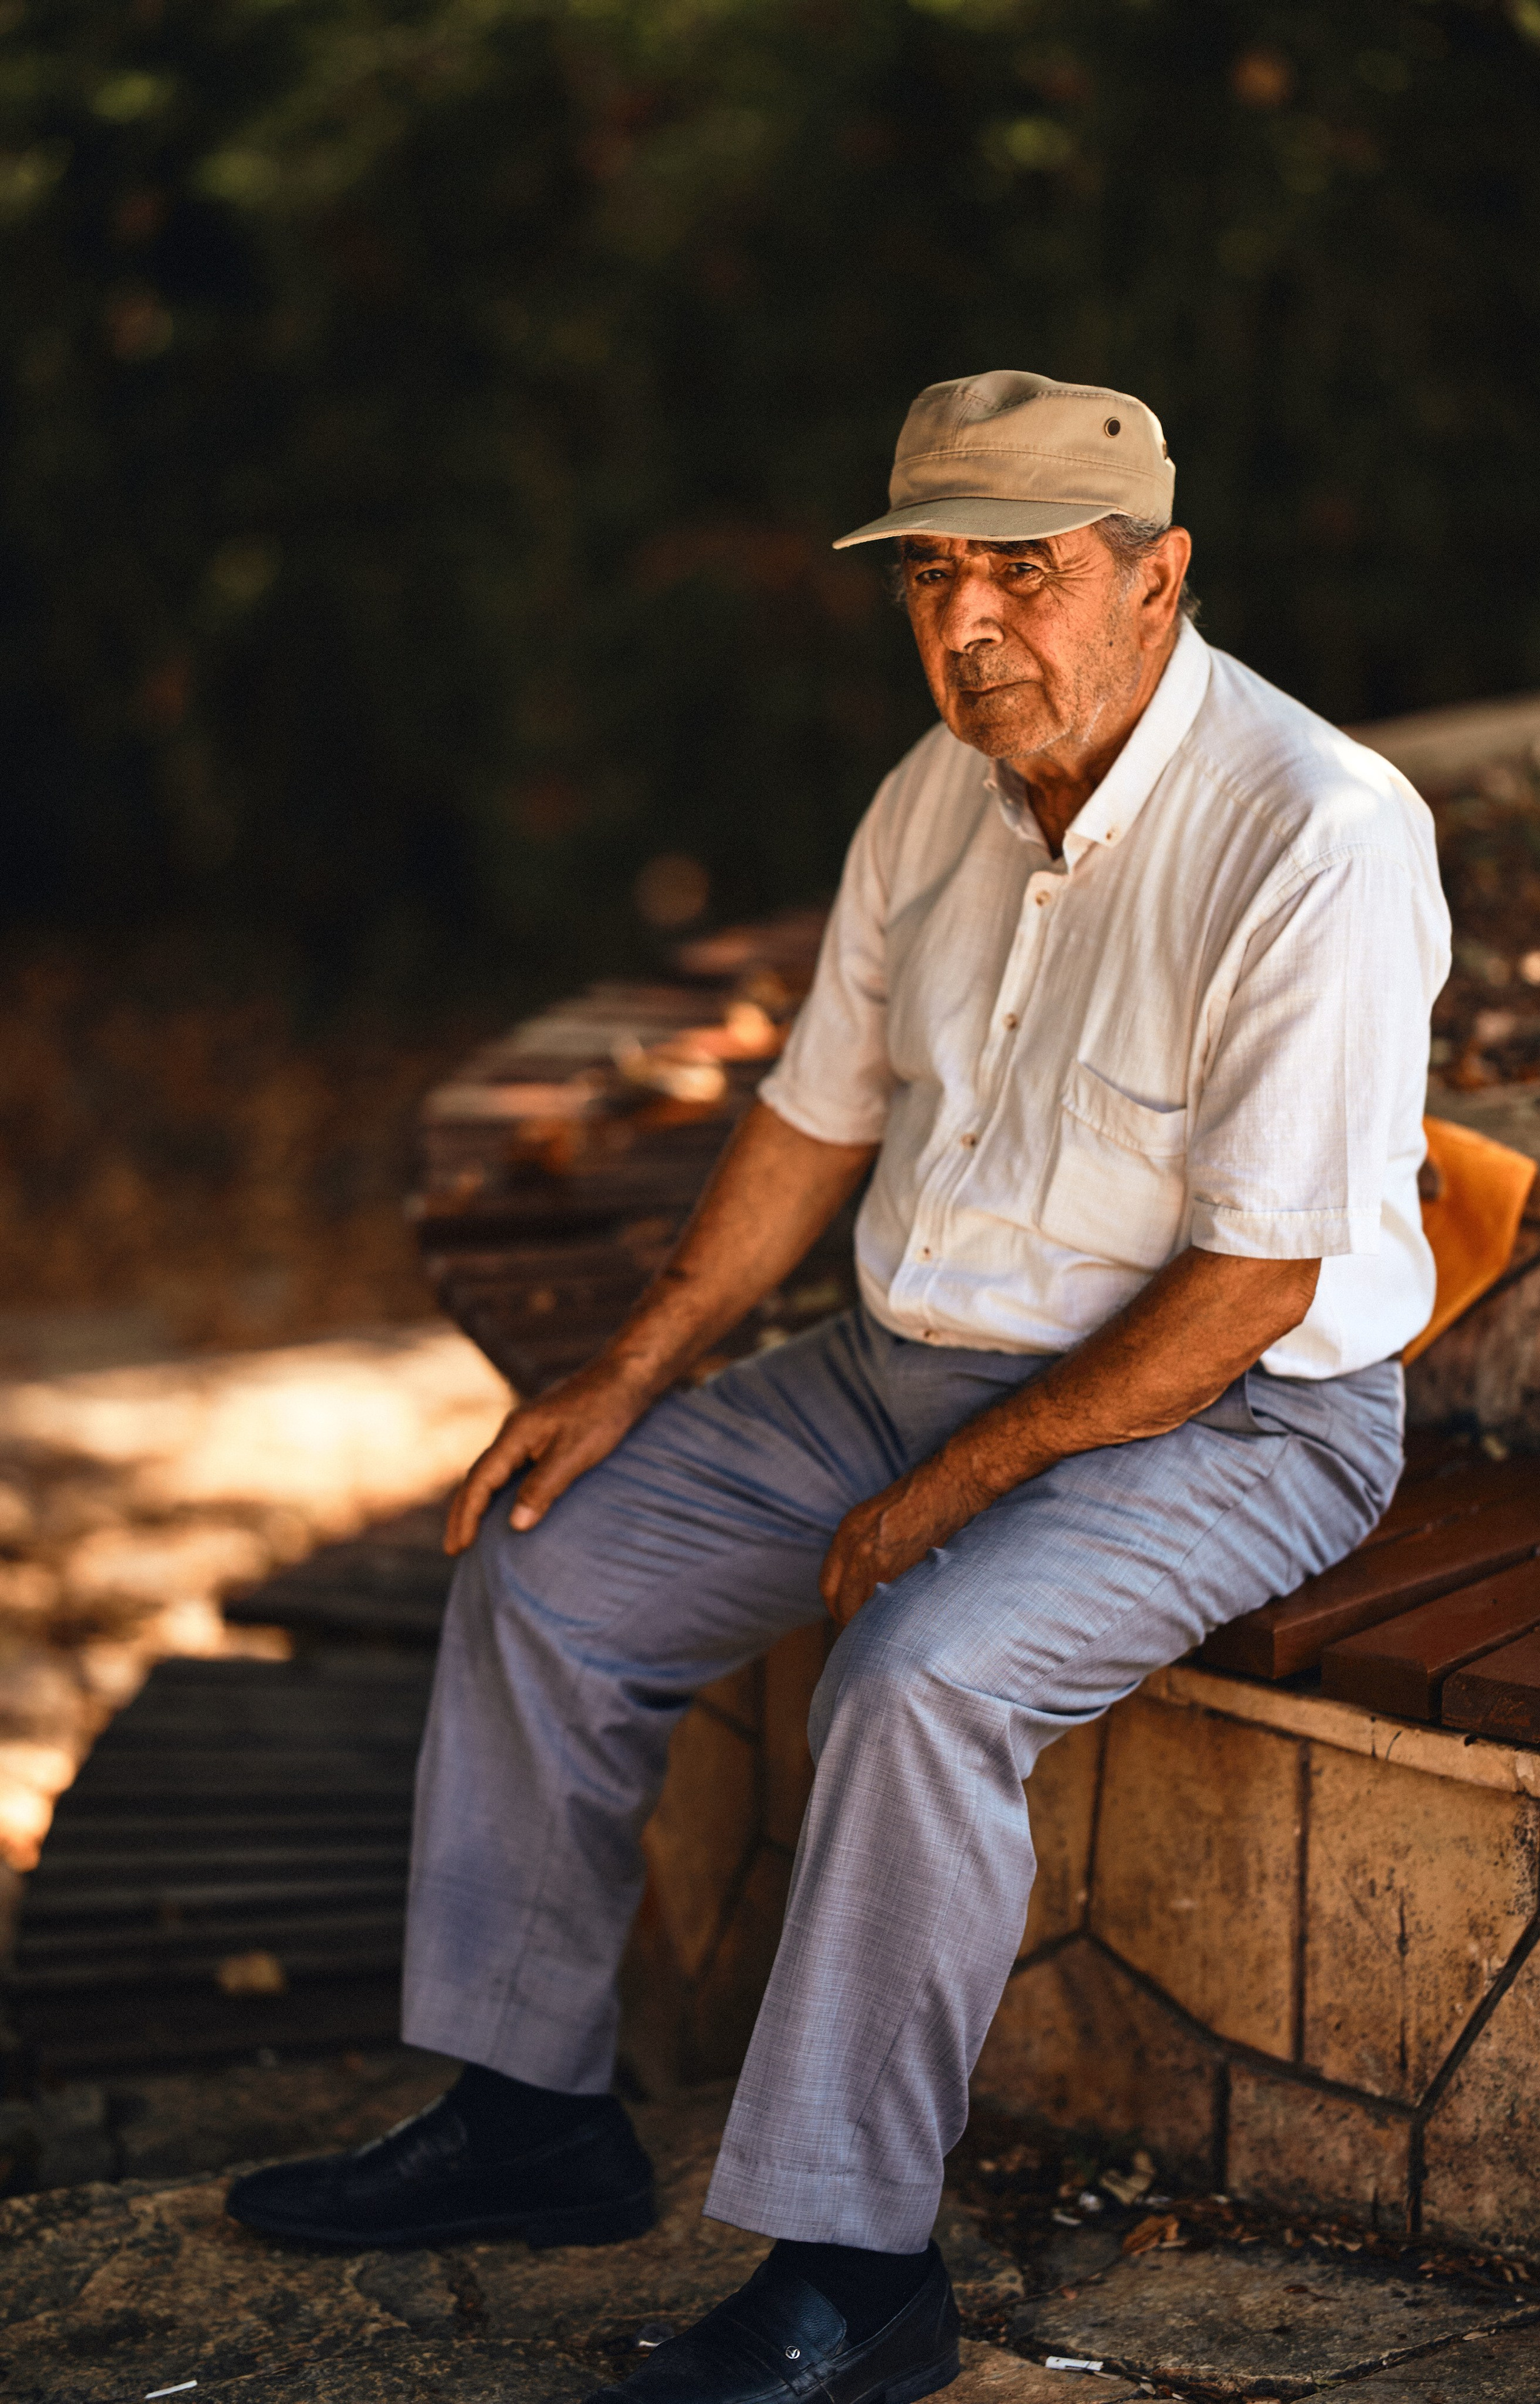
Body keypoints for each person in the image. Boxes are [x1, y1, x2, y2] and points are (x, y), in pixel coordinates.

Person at [228, 371, 1450, 2404]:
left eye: (1028, 575)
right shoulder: (935, 792)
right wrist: (625, 1376)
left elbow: (1257, 1286)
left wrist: (965, 1487)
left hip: (1242, 1413)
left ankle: (859, 2273)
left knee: (920, 1672)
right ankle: (537, 2124)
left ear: (1160, 582)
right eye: (933, 578)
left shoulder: (1314, 833)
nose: (973, 627)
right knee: (549, 1556)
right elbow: (810, 1118)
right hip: (910, 1363)